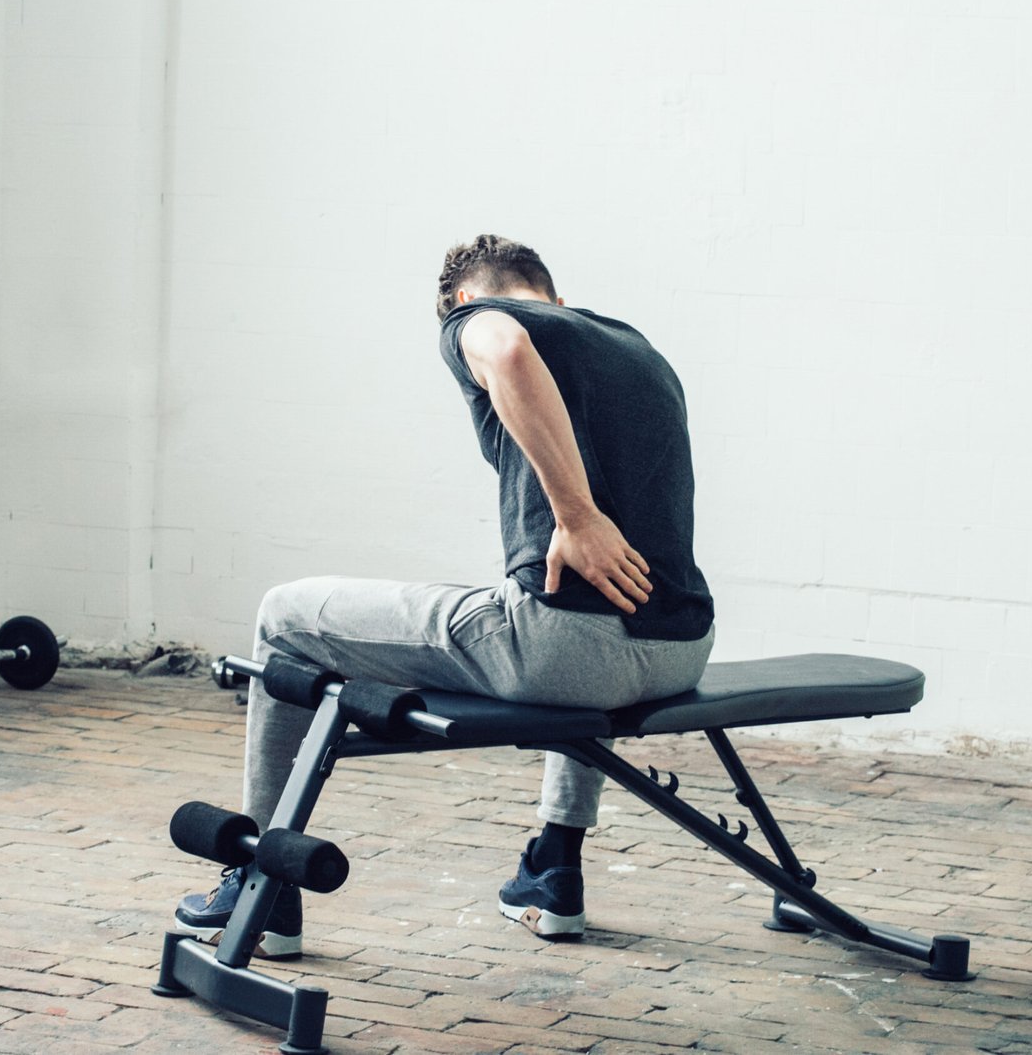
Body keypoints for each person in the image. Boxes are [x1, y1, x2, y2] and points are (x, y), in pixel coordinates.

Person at [174, 234, 715, 957]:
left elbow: (508, 352)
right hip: (679, 648)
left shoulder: (474, 320)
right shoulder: (638, 349)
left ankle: (262, 889)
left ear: (467, 298)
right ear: (553, 293)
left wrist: (576, 517)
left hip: (563, 652)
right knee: (558, 610)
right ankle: (554, 865)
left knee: (284, 614)